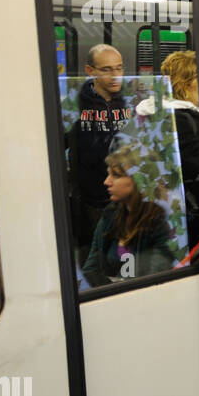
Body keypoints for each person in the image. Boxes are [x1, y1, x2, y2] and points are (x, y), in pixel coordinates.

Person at [82, 140, 179, 287]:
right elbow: (90, 269)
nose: (107, 182)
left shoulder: (162, 223)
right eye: (108, 174)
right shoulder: (111, 215)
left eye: (116, 175)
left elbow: (155, 282)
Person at [68, 44, 132, 249]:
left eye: (119, 68)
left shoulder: (132, 102)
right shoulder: (74, 106)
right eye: (106, 69)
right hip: (94, 199)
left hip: (128, 197)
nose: (115, 76)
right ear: (90, 71)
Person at [144, 50, 199, 250]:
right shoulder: (179, 118)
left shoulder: (157, 112)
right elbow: (196, 165)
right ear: (186, 83)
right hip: (186, 209)